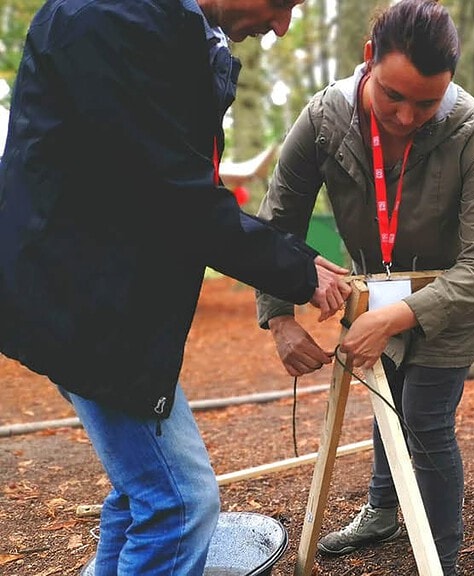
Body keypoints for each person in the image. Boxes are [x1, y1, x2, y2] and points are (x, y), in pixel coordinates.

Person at [0, 0, 349, 573]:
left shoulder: (170, 30)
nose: (281, 26)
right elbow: (171, 196)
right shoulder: (109, 19)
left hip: (106, 300)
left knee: (138, 494)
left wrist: (297, 260)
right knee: (180, 507)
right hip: (84, 304)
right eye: (281, 4)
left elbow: (172, 183)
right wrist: (295, 268)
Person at [253, 1, 474, 574]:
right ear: (369, 60)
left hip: (451, 301)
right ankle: (383, 509)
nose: (408, 115)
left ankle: (440, 556)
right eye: (394, 95)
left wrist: (391, 319)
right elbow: (278, 223)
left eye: (427, 102)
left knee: (426, 418)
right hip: (375, 289)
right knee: (385, 396)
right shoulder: (324, 119)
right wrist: (280, 317)